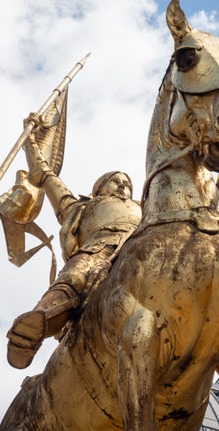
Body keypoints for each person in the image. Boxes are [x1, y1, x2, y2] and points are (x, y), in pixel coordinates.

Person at [7, 117, 142, 369]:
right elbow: (45, 175)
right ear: (99, 188)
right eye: (116, 181)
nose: (123, 186)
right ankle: (38, 323)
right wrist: (31, 144)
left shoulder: (146, 208)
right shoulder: (80, 207)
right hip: (100, 248)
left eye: (127, 185)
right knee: (77, 273)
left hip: (143, 248)